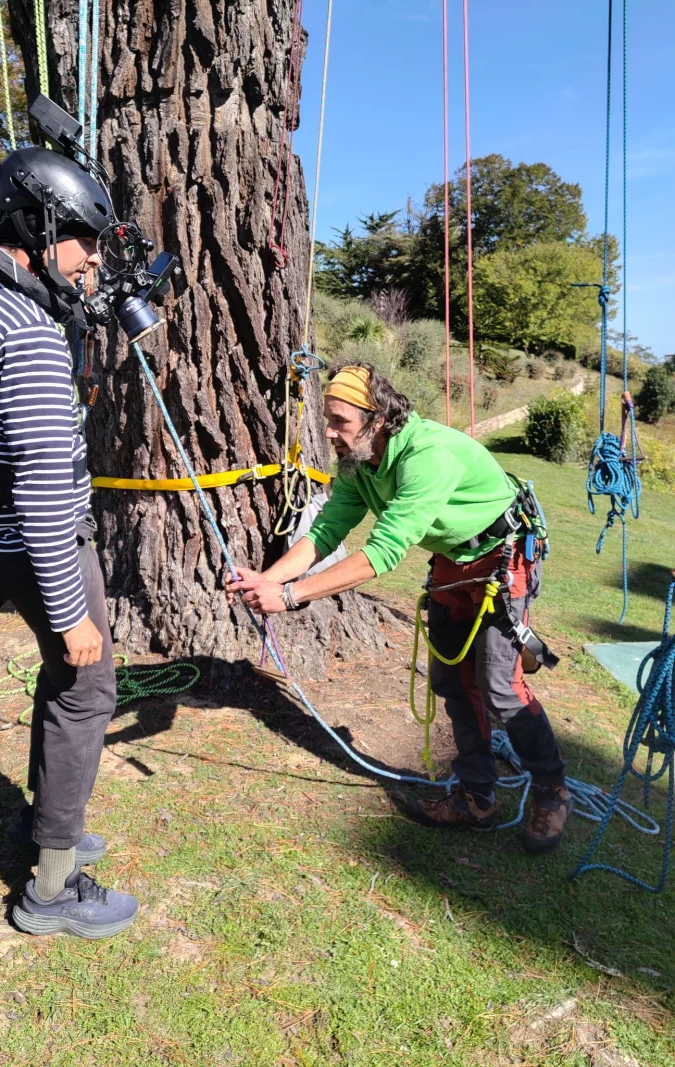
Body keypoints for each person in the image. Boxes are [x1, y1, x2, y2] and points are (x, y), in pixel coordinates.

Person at [226, 362, 571, 854]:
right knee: (453, 681)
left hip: (504, 555)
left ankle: (552, 790)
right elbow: (326, 532)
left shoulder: (426, 455)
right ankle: (476, 796)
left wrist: (289, 596)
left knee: (500, 688)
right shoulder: (358, 464)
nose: (329, 432)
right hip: (454, 561)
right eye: (328, 419)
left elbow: (384, 553)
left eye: (340, 421)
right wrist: (270, 577)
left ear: (378, 419)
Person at [0, 145, 138, 937]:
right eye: (83, 240)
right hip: (31, 546)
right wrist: (71, 609)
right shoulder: (26, 331)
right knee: (87, 690)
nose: (91, 262)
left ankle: (42, 822)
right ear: (40, 230)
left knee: (62, 682)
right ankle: (52, 885)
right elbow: (48, 494)